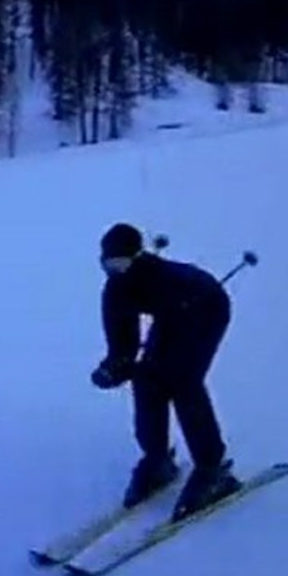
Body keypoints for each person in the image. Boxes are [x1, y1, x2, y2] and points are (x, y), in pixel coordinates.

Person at [90, 222, 242, 522]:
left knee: (183, 382)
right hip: (171, 318)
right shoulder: (115, 290)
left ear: (137, 257)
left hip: (205, 309)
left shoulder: (165, 280)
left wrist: (156, 365)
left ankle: (212, 469)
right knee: (146, 382)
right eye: (109, 264)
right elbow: (122, 340)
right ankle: (157, 459)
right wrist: (115, 367)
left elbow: (180, 342)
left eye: (122, 263)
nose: (116, 270)